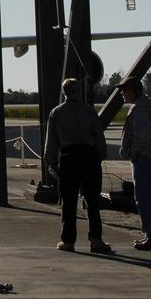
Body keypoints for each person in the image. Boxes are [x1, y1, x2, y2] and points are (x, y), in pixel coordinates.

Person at [43, 78, 113, 254]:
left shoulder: (56, 113)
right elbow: (99, 137)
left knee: (68, 202)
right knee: (92, 201)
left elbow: (51, 141)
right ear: (78, 91)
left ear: (64, 91)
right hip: (89, 157)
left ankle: (68, 241)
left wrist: (51, 162)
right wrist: (99, 157)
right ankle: (96, 240)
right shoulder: (89, 111)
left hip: (69, 158)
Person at [119, 76, 151, 251]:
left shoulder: (140, 109)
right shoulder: (144, 106)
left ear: (135, 90)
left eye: (125, 90)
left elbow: (142, 136)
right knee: (148, 198)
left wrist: (133, 153)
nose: (122, 93)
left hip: (144, 159)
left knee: (144, 199)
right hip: (148, 157)